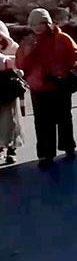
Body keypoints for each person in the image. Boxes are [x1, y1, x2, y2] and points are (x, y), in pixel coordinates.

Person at [16, 8, 77, 167]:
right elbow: (20, 63)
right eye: (33, 24)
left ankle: (68, 147)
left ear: (48, 23)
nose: (37, 27)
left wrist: (62, 70)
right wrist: (30, 52)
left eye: (41, 23)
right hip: (38, 87)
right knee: (42, 122)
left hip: (59, 84)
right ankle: (46, 155)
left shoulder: (62, 38)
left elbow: (75, 55)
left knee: (64, 118)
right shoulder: (28, 42)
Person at [0, 21, 24, 165]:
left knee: (11, 119)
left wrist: (7, 62)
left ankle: (12, 148)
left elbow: (21, 65)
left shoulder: (13, 48)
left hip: (8, 88)